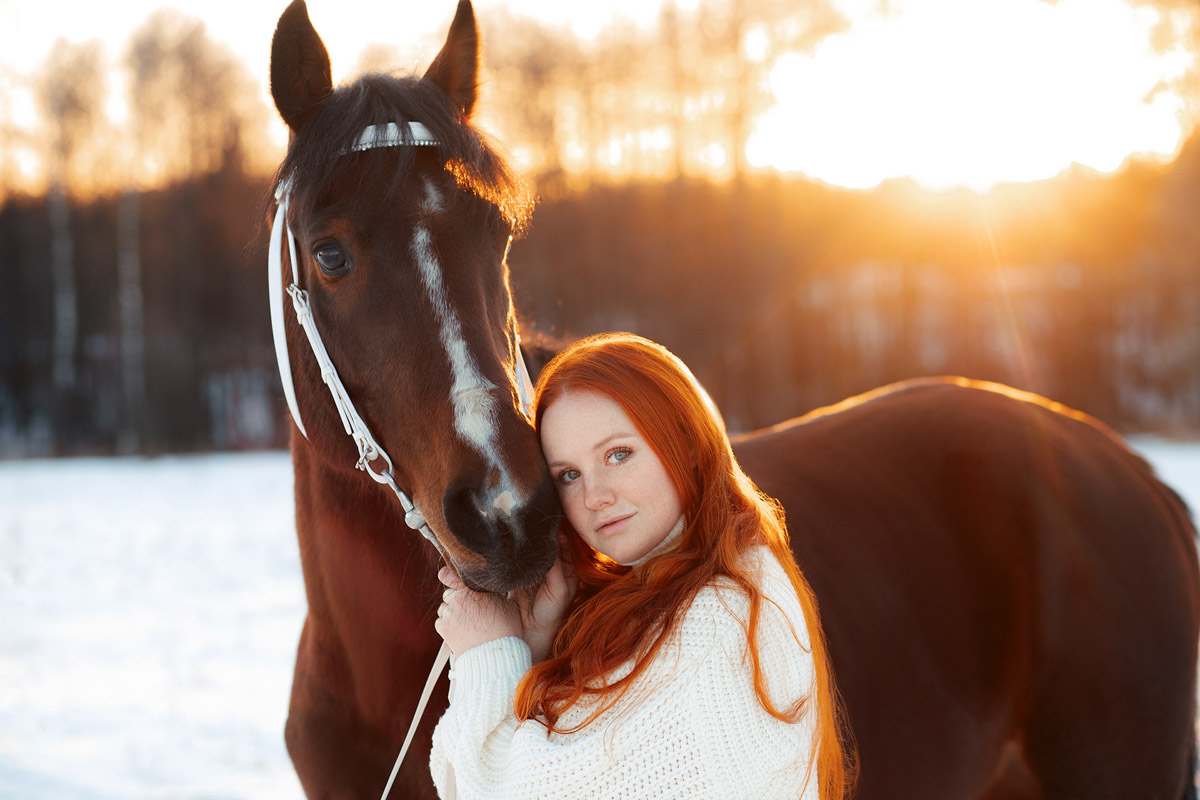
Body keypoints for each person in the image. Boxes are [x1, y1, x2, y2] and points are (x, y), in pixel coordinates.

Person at [430, 332, 853, 800]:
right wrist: (535, 646)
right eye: (568, 475)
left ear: (687, 442)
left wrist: (489, 656)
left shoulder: (717, 622)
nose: (594, 497)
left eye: (618, 455)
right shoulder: (698, 581)